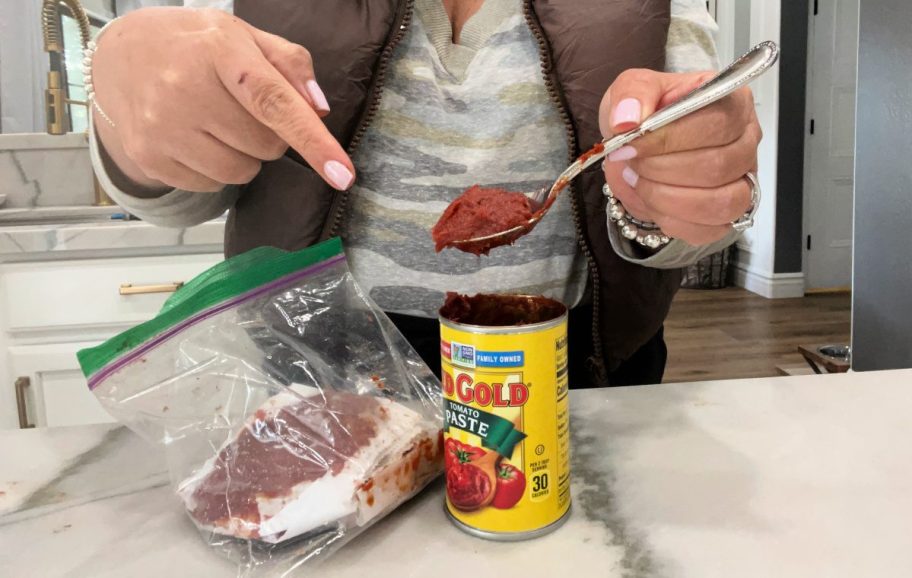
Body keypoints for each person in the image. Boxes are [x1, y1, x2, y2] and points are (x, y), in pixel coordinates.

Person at [88, 0, 761, 387]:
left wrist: (684, 197)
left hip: (573, 376)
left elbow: (682, 227)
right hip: (320, 386)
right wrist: (120, 103)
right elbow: (175, 198)